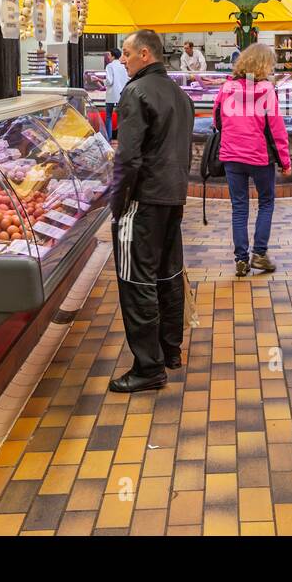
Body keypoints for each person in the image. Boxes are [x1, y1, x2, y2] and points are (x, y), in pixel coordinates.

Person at [108, 29, 194, 392]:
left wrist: (118, 201)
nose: (122, 60)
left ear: (145, 54)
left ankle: (147, 368)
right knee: (167, 272)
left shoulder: (135, 92)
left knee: (136, 279)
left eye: (127, 53)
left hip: (142, 199)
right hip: (173, 196)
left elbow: (127, 157)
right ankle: (170, 350)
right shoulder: (179, 93)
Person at [216, 43, 292, 277]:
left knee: (239, 207)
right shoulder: (267, 90)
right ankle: (259, 254)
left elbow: (217, 120)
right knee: (266, 203)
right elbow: (277, 128)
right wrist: (285, 161)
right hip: (259, 157)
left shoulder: (226, 87)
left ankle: (241, 260)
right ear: (264, 65)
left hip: (232, 156)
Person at [103, 47, 129, 141]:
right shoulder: (123, 65)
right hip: (122, 94)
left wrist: (102, 82)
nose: (108, 57)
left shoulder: (110, 66)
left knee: (109, 116)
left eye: (109, 55)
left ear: (113, 56)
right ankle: (121, 138)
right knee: (121, 117)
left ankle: (109, 138)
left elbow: (109, 81)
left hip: (111, 94)